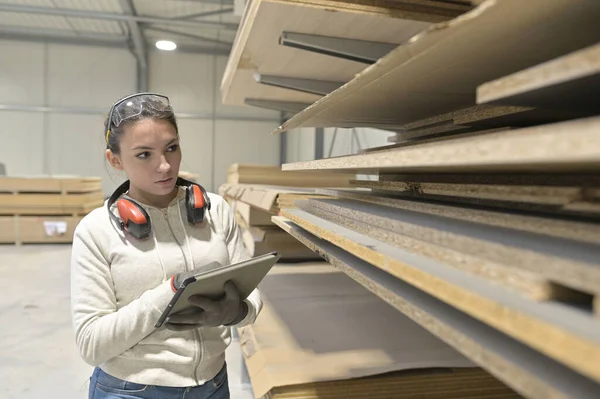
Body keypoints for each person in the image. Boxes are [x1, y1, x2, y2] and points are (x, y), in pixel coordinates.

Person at [70, 92, 262, 399]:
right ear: (115, 159)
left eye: (171, 148)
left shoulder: (215, 210)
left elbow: (252, 302)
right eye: (144, 154)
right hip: (132, 390)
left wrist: (236, 311)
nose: (164, 166)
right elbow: (92, 344)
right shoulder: (96, 230)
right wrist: (170, 293)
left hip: (213, 385)